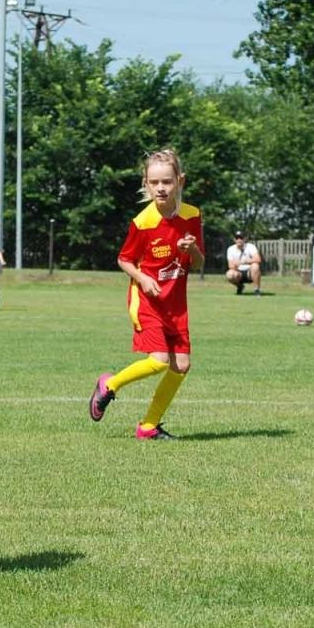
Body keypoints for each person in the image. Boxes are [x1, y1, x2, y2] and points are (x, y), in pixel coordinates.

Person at [87, 148, 204, 440]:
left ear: (180, 181)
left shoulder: (192, 215)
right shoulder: (142, 223)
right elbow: (124, 259)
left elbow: (199, 263)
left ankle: (149, 426)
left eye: (167, 181)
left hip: (175, 304)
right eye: (154, 182)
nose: (161, 188)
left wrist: (192, 249)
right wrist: (142, 278)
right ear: (146, 184)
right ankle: (109, 385)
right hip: (147, 301)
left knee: (182, 365)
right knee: (159, 360)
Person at [225, 231, 262, 295]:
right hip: (238, 273)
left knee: (255, 266)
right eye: (237, 238)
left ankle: (257, 289)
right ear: (234, 239)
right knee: (229, 274)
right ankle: (240, 286)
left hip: (250, 272)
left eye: (241, 238)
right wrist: (235, 265)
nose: (239, 240)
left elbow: (258, 259)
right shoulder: (230, 249)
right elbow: (230, 265)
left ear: (244, 239)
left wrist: (244, 261)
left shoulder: (251, 247)